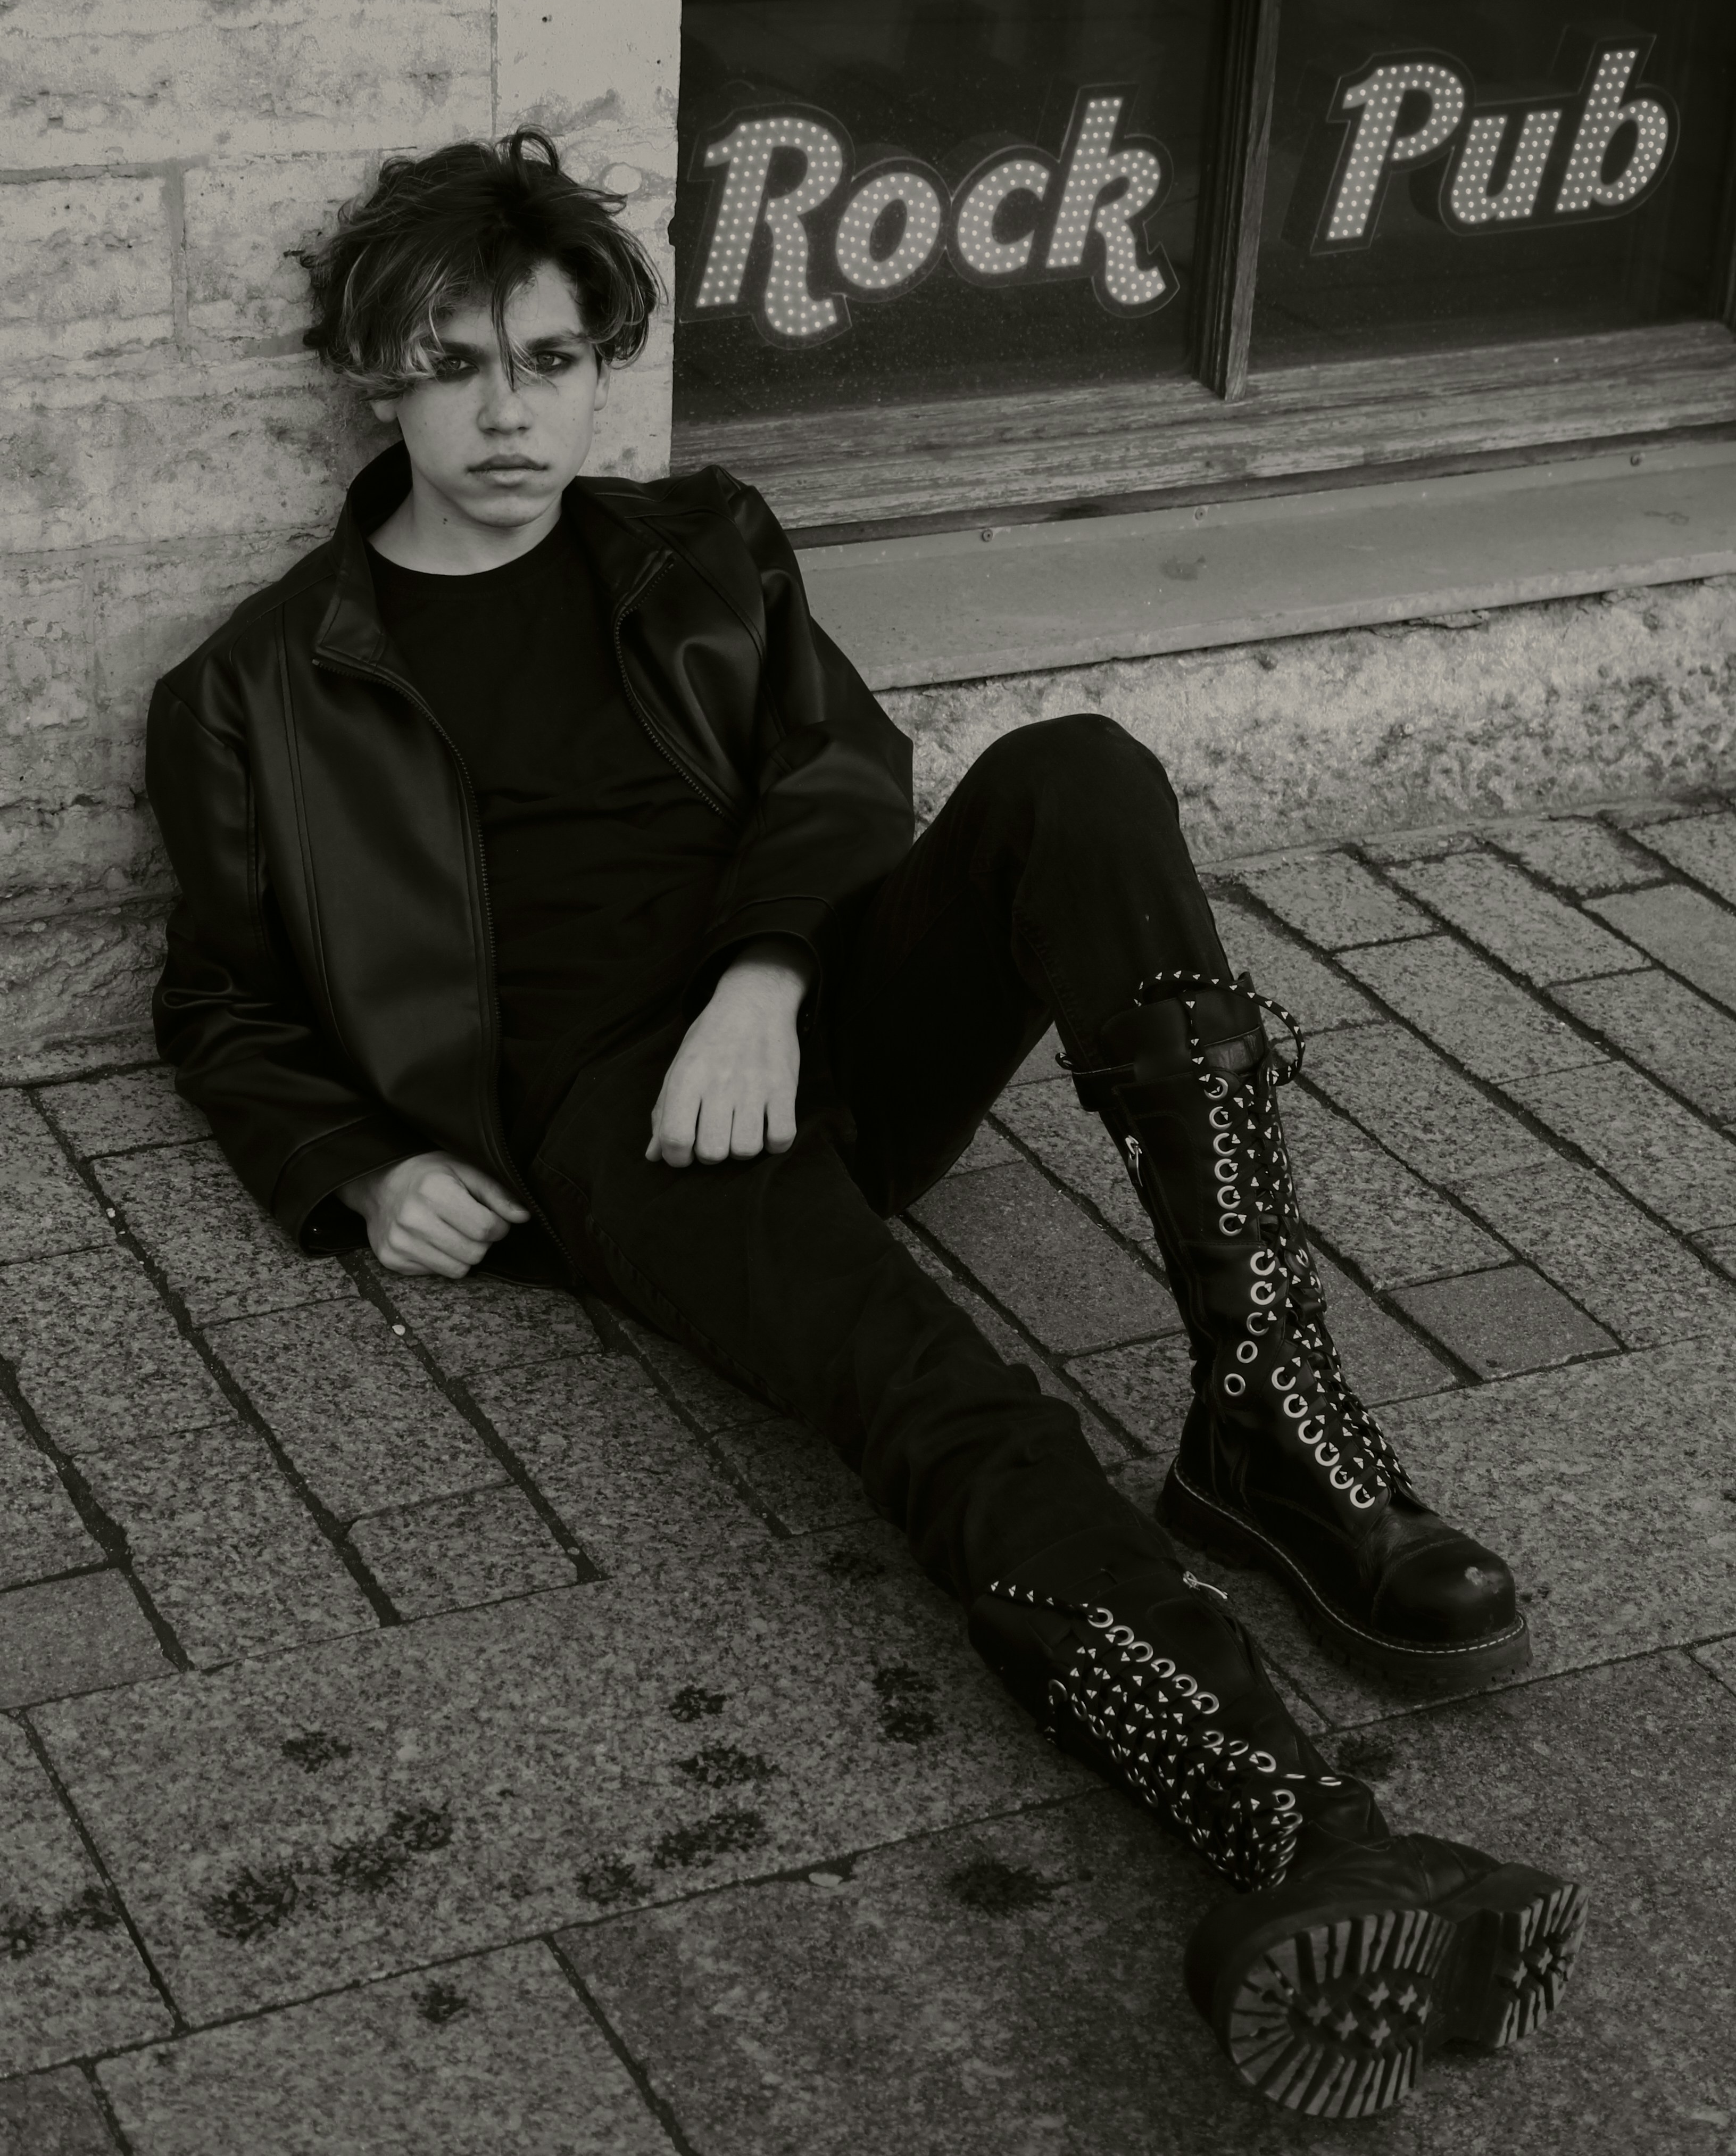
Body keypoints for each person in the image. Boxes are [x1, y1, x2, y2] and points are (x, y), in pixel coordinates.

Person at [145, 130, 1585, 2120]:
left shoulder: (698, 541)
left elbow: (837, 770)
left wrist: (767, 975)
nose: (510, 412)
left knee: (1076, 770)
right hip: (616, 1124)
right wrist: (361, 1165)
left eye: (552, 361)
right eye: (458, 362)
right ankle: (1297, 1824)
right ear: (374, 374)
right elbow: (215, 993)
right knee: (946, 1400)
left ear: (597, 370)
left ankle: (1277, 1420)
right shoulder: (255, 688)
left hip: (805, 1015)